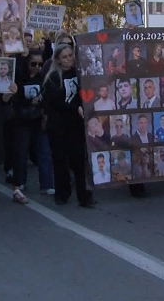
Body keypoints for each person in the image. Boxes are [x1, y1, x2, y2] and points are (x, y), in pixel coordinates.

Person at [41, 43, 96, 208]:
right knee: (60, 160)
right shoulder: (53, 78)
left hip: (76, 124)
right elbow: (53, 102)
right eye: (64, 57)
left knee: (79, 160)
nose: (69, 59)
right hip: (58, 125)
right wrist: (74, 108)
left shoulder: (79, 74)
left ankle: (83, 195)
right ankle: (62, 193)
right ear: (57, 59)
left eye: (71, 55)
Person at [14, 51, 54, 194]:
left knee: (44, 152)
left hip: (39, 119)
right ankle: (20, 182)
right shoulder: (19, 78)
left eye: (40, 64)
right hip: (23, 120)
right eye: (33, 64)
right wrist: (29, 101)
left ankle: (47, 184)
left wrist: (44, 112)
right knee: (22, 152)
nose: (37, 67)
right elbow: (15, 101)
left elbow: (47, 97)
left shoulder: (42, 78)